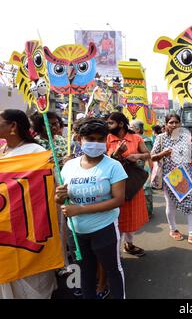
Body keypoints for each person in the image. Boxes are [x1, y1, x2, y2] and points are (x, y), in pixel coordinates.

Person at [55, 118, 127, 299]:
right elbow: (59, 199)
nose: (95, 143)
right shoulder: (68, 167)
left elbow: (119, 200)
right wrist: (59, 196)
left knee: (112, 270)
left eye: (100, 139)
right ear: (79, 139)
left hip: (104, 229)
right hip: (76, 232)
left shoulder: (113, 166)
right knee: (85, 273)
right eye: (90, 138)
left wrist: (80, 210)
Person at [0, 109, 56, 299]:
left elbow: (49, 186)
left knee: (33, 277)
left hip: (29, 225)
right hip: (6, 225)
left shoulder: (36, 153)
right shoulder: (2, 151)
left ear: (12, 126)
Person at [151, 113, 192, 248]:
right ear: (166, 124)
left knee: (191, 204)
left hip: (185, 176)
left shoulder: (185, 137)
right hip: (170, 178)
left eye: (176, 122)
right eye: (171, 122)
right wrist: (163, 154)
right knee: (171, 205)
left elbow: (190, 156)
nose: (174, 125)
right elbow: (152, 157)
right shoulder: (160, 138)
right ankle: (173, 229)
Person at [106, 112, 150, 257]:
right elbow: (102, 161)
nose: (108, 126)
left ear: (120, 124)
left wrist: (136, 156)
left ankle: (129, 245)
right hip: (113, 185)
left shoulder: (136, 138)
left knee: (131, 217)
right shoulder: (107, 138)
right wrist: (115, 155)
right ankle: (115, 253)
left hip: (132, 184)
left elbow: (147, 154)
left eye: (110, 123)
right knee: (115, 218)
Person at [130, 119, 154, 218]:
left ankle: (148, 213)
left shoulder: (146, 140)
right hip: (134, 169)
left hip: (145, 168)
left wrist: (151, 170)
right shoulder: (130, 139)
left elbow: (149, 156)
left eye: (131, 127)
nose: (129, 129)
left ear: (138, 129)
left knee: (146, 191)